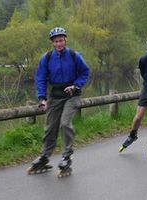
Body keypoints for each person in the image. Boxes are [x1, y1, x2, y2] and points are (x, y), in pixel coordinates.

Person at [27, 27, 90, 177]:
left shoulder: (74, 55)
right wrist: (42, 98)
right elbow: (40, 78)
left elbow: (85, 71)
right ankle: (45, 156)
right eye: (56, 41)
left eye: (61, 40)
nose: (59, 43)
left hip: (72, 95)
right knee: (50, 128)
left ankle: (66, 155)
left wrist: (75, 86)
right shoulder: (47, 58)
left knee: (65, 123)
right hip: (55, 96)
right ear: (52, 43)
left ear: (65, 40)